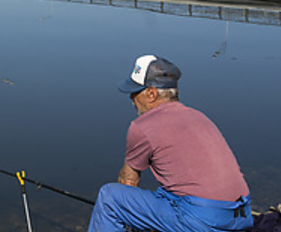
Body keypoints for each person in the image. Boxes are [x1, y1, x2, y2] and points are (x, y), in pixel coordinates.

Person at [88, 55, 253, 232]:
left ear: (151, 93)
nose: (131, 98)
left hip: (203, 220)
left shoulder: (142, 126)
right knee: (165, 193)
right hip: (242, 216)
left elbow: (128, 182)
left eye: (135, 92)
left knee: (109, 198)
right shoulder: (199, 117)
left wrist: (131, 218)